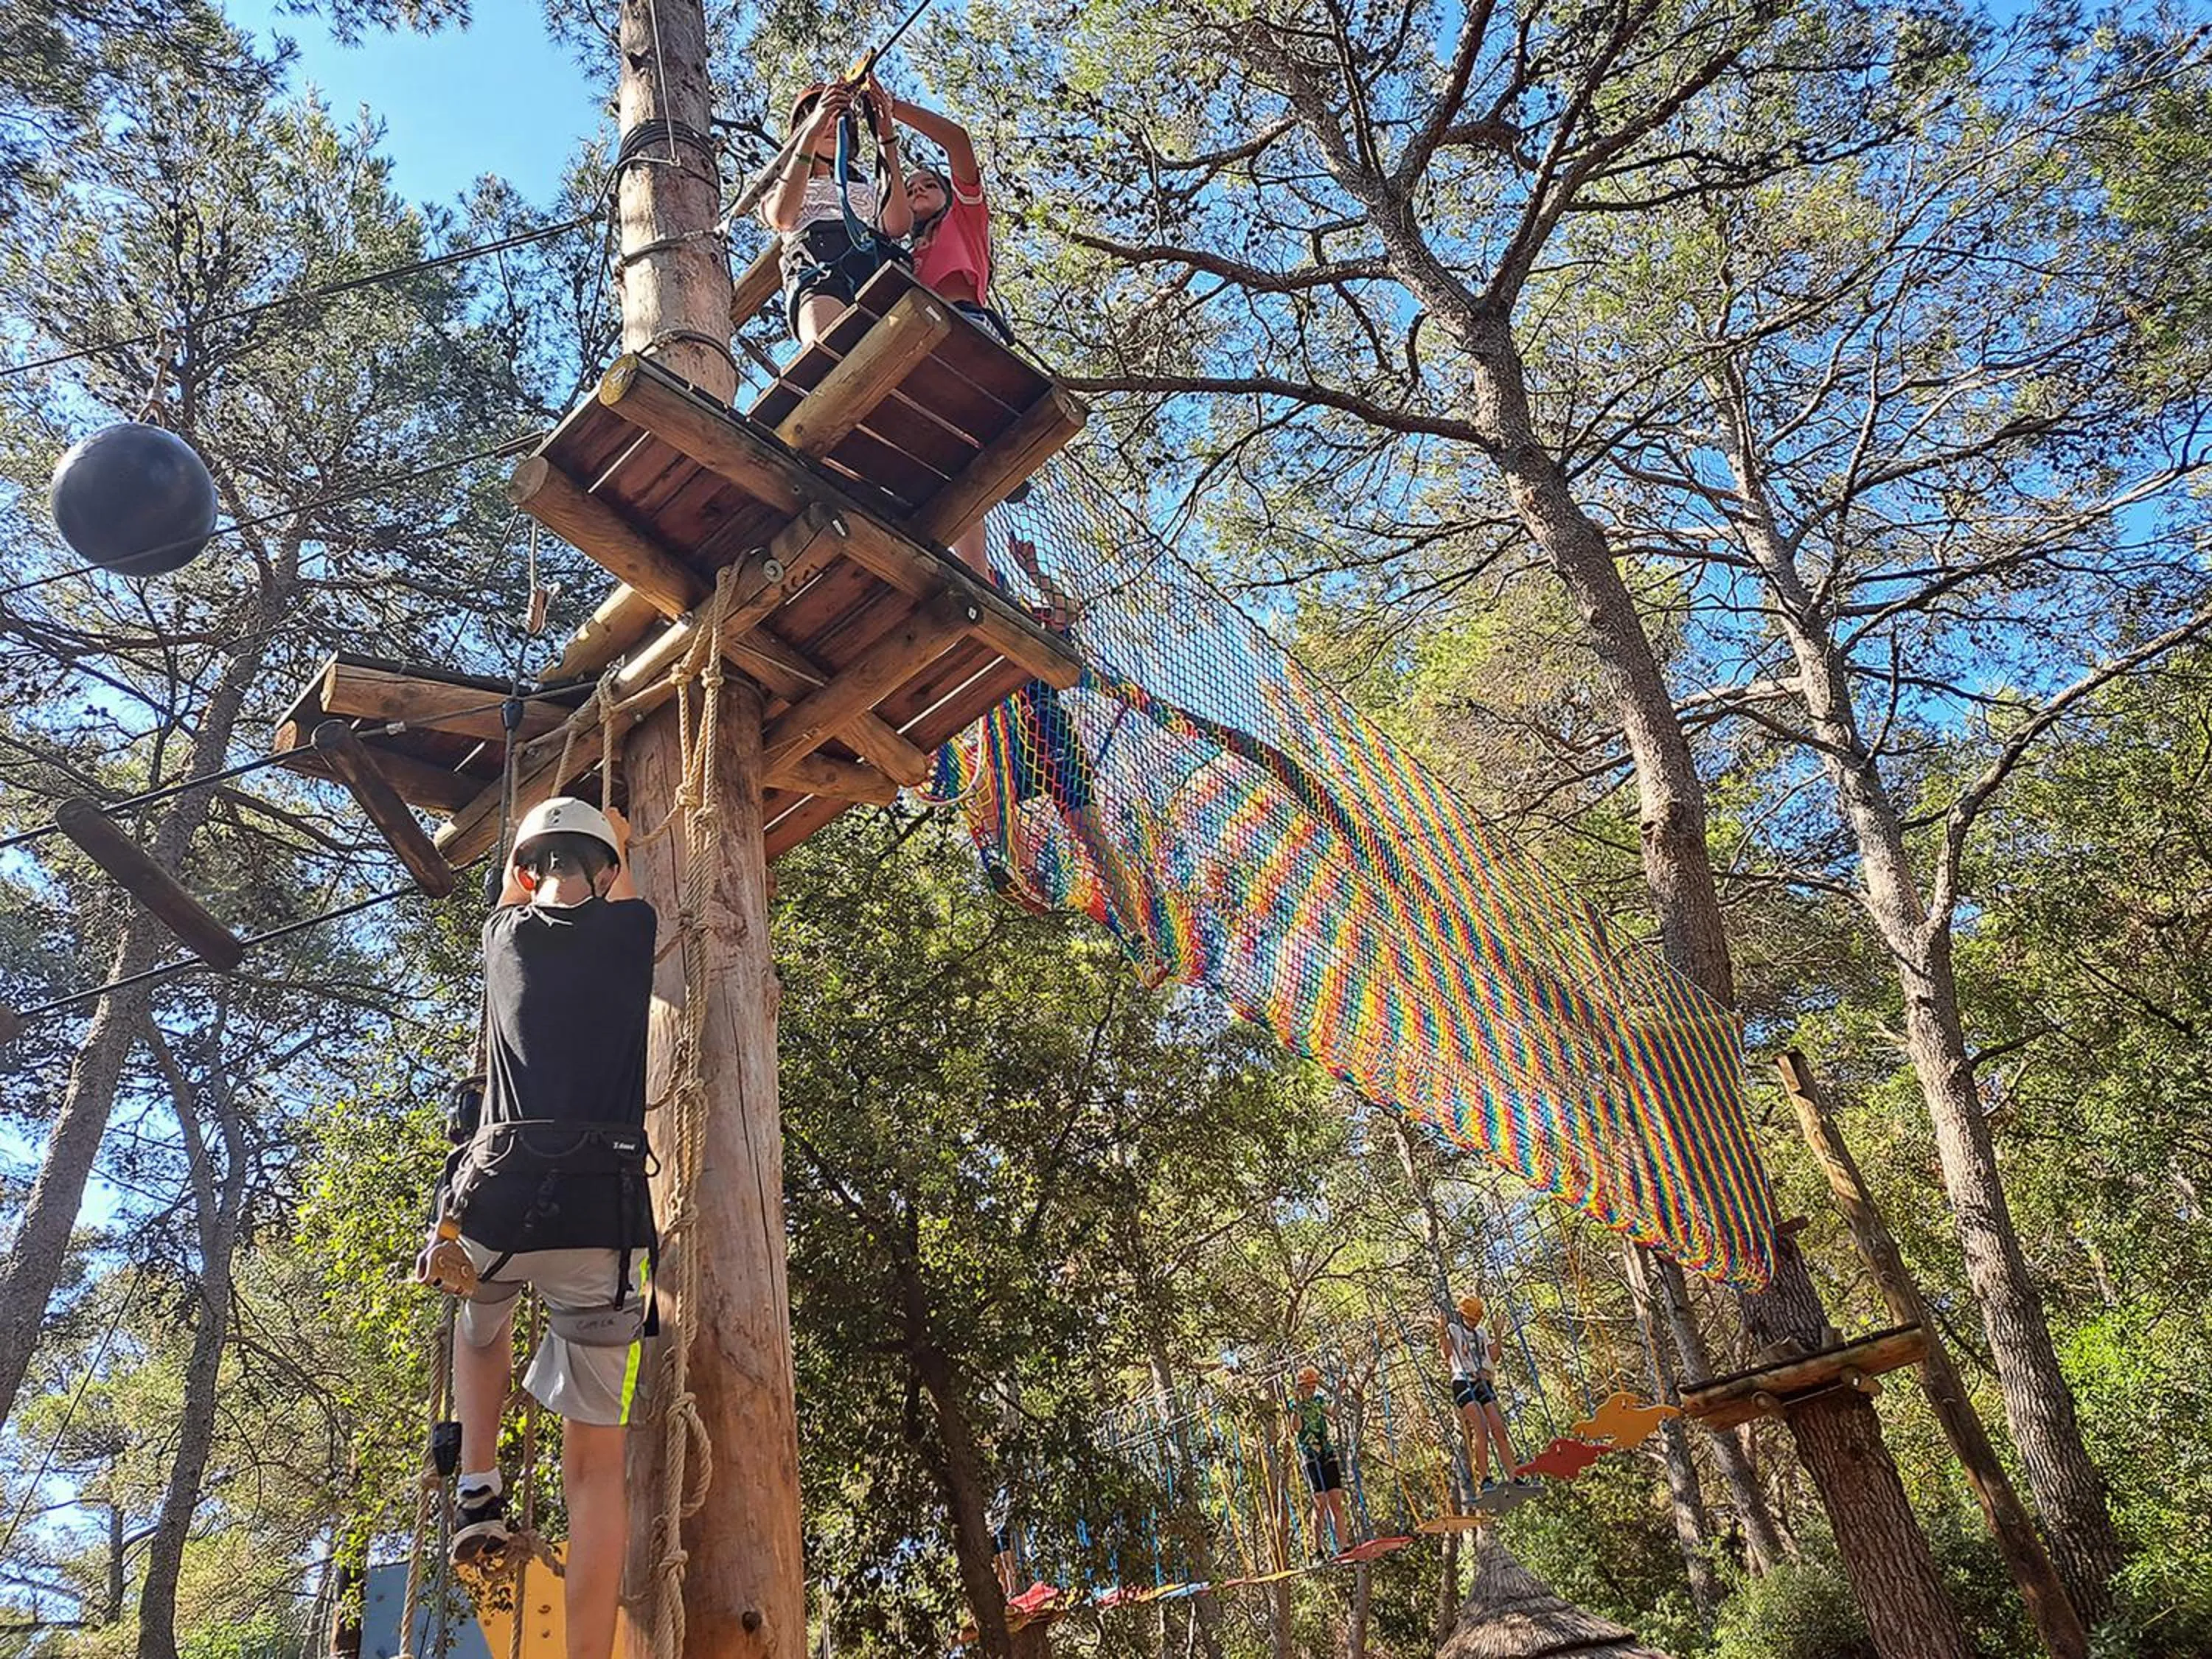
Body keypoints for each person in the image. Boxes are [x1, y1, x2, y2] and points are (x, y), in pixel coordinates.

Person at [415, 797, 657, 1659]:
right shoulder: (635, 934)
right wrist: (619, 833)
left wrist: (566, 836)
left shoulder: (502, 939)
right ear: (605, 870)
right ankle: (590, 1653)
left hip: (498, 1204)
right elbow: (619, 890)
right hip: (606, 1218)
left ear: (523, 876)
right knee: (594, 1468)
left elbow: (546, 891)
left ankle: (478, 1483)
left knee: (481, 1324)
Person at [883, 89, 1025, 574]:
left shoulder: (966, 221)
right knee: (943, 460)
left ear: (948, 194)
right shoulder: (901, 256)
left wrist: (895, 113)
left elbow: (958, 145)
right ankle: (967, 567)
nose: (917, 188)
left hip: (964, 325)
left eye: (929, 184)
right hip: (922, 343)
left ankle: (977, 569)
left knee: (966, 452)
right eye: (910, 186)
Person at [762, 77, 914, 345]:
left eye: (840, 118)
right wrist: (810, 135)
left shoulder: (870, 190)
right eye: (824, 117)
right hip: (817, 264)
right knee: (828, 346)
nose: (832, 125)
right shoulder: (788, 187)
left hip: (872, 260)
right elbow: (781, 217)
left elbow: (898, 224)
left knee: (900, 343)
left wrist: (885, 136)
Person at [1439, 1293, 1523, 1496]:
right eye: (1472, 1318)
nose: (1475, 1321)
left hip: (1483, 1382)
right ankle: (1485, 1478)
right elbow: (1446, 1353)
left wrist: (1498, 1334)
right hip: (1463, 1381)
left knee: (1499, 1429)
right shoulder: (1454, 1330)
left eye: (1478, 1318)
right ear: (1463, 1315)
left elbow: (1493, 1356)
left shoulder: (1482, 1333)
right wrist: (1440, 1330)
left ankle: (1513, 1477)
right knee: (1481, 1428)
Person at [1290, 1365, 1358, 1559]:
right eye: (1307, 1388)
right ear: (1300, 1388)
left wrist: (1339, 1392)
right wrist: (1296, 1406)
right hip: (1310, 1454)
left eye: (1313, 1387)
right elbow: (1296, 1428)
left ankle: (1344, 1546)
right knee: (1320, 1503)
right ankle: (1317, 1549)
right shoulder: (1295, 1405)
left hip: (1326, 1451)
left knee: (1336, 1499)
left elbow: (1334, 1413)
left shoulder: (1319, 1401)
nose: (1311, 1391)